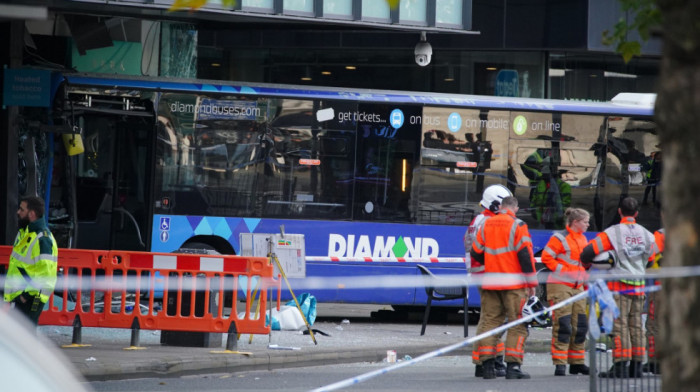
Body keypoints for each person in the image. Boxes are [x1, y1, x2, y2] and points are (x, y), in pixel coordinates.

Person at [580, 197, 655, 378]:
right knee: (637, 326)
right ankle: (636, 366)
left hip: (619, 287)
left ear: (619, 211)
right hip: (639, 288)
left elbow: (588, 252)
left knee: (619, 326)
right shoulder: (647, 234)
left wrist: (589, 265)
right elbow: (651, 261)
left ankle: (620, 365)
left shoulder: (612, 233)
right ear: (636, 213)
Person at [471, 196, 538, 379]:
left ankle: (487, 367)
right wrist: (531, 282)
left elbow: (475, 252)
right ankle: (513, 368)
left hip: (491, 281)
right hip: (514, 283)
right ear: (515, 208)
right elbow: (525, 254)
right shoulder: (518, 225)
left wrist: (493, 264)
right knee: (517, 323)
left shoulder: (486, 224)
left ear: (501, 207)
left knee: (490, 323)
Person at [464, 184, 513, 378]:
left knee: (491, 318)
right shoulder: (489, 222)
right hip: (488, 274)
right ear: (494, 204)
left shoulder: (480, 220)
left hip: (482, 274)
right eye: (503, 205)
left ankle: (489, 360)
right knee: (492, 319)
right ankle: (487, 361)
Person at [541, 208, 591, 376]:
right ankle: (560, 363)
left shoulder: (583, 239)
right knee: (563, 325)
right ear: (575, 222)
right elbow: (546, 258)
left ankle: (577, 362)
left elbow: (582, 264)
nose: (588, 224)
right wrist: (566, 271)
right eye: (585, 222)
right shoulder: (559, 238)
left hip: (578, 286)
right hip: (560, 285)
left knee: (580, 326)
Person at [3, 196, 59, 326]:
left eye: (22, 209)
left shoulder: (42, 239)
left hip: (31, 297)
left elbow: (45, 274)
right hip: (22, 294)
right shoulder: (25, 233)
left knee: (24, 337)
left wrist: (25, 296)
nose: (18, 212)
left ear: (31, 214)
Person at [643, 226, 664, 374]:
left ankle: (655, 361)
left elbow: (650, 255)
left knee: (654, 324)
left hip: (661, 286)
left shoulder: (662, 234)